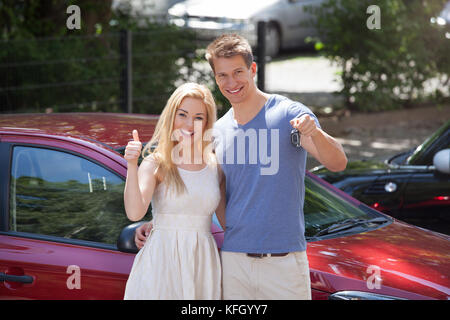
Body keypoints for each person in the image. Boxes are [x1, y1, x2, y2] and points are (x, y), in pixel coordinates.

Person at [135, 34, 347, 299]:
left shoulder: (288, 114)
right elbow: (202, 187)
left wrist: (314, 132)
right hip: (233, 262)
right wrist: (161, 222)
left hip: (283, 262)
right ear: (215, 79)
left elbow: (338, 162)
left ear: (253, 69)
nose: (231, 82)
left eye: (238, 72)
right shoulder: (217, 132)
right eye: (222, 75)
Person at [123, 82, 225, 300]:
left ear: (206, 123)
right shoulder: (155, 163)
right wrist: (132, 164)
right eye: (183, 115)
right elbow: (134, 213)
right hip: (161, 263)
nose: (189, 124)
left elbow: (229, 224)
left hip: (203, 264)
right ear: (171, 117)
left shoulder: (216, 168)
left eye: (198, 117)